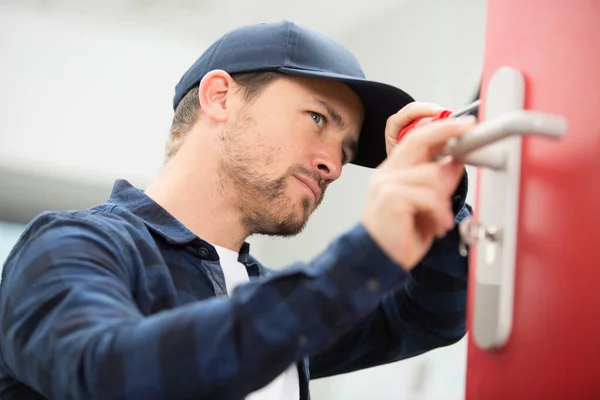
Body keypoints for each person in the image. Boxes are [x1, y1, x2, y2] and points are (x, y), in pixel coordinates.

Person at [0, 20, 475, 399]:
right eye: (316, 119)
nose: (332, 165)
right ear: (220, 97)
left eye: (346, 152)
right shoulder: (72, 245)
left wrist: (438, 190)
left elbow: (428, 315)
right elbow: (106, 372)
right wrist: (365, 253)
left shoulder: (265, 297)